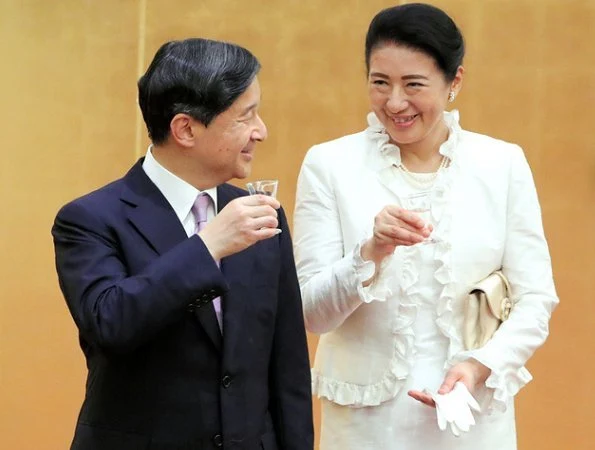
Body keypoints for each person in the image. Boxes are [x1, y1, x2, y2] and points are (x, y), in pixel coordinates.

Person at [293, 3, 558, 450]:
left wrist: (479, 367)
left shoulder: (501, 164)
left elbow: (536, 299)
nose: (394, 103)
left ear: (455, 82)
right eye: (380, 83)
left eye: (413, 84)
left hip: (471, 417)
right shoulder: (329, 165)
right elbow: (312, 314)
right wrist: (370, 252)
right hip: (365, 424)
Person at [52, 38, 313, 450]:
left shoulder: (261, 213)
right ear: (186, 128)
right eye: (246, 117)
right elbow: (110, 323)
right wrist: (208, 246)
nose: (261, 132)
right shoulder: (90, 219)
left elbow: (289, 367)